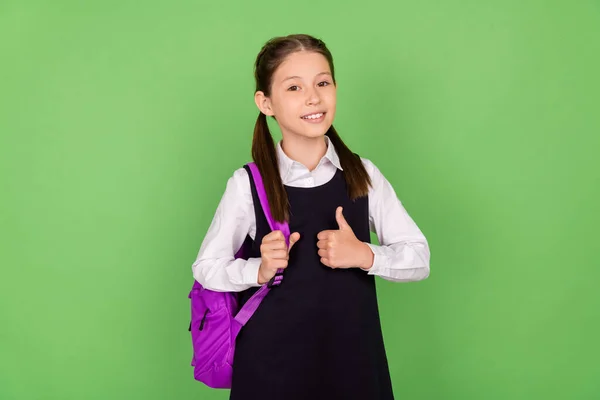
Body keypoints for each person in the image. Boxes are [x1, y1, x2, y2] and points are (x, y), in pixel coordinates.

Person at [192, 33, 430, 400]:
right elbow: (206, 267)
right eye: (293, 87)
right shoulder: (247, 183)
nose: (313, 97)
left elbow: (419, 257)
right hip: (270, 370)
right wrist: (257, 269)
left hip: (354, 365)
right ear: (265, 102)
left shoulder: (363, 175)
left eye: (322, 82)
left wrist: (364, 254)